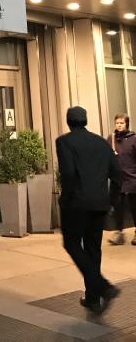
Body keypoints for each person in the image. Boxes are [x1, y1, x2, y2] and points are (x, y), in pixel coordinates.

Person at [56, 106, 122, 314]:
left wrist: (64, 199)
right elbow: (117, 176)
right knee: (93, 249)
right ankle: (93, 298)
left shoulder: (64, 141)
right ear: (85, 120)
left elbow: (68, 173)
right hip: (100, 205)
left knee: (72, 243)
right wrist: (111, 201)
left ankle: (103, 287)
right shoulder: (102, 143)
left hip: (76, 204)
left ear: (69, 122)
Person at [107, 114, 136, 245]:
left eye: (122, 123)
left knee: (134, 207)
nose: (119, 125)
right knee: (117, 206)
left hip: (132, 178)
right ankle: (119, 233)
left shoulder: (133, 138)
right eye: (117, 122)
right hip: (117, 179)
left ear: (126, 124)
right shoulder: (111, 138)